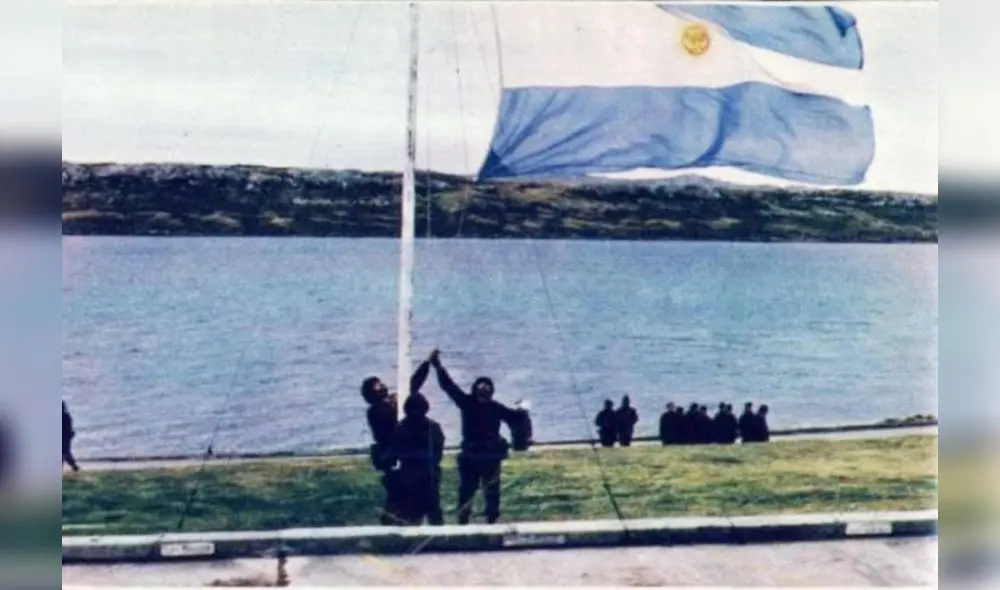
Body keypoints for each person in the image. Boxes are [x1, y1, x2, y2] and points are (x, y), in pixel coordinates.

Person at [430, 350, 519, 525]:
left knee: (488, 490)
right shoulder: (471, 403)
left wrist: (521, 416)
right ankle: (466, 519)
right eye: (482, 386)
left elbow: (515, 419)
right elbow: (449, 386)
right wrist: (438, 366)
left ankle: (489, 519)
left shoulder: (490, 407)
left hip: (484, 455)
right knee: (470, 490)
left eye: (486, 387)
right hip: (475, 454)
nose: (484, 389)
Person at [360, 354, 433, 525]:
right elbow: (390, 417)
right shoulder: (375, 411)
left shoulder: (392, 403)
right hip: (392, 458)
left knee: (408, 493)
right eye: (377, 386)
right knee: (399, 493)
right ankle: (394, 522)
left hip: (402, 456)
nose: (383, 386)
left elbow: (413, 385)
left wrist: (426, 364)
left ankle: (409, 520)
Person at [389, 391, 445, 525]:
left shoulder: (432, 428)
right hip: (412, 475)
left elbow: (437, 451)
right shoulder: (402, 428)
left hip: (425, 474)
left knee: (431, 510)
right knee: (414, 511)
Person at [63, 402, 80, 472]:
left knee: (65, 453)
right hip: (66, 436)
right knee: (65, 452)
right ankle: (74, 466)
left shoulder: (65, 416)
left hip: (64, 436)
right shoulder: (67, 416)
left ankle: (74, 466)